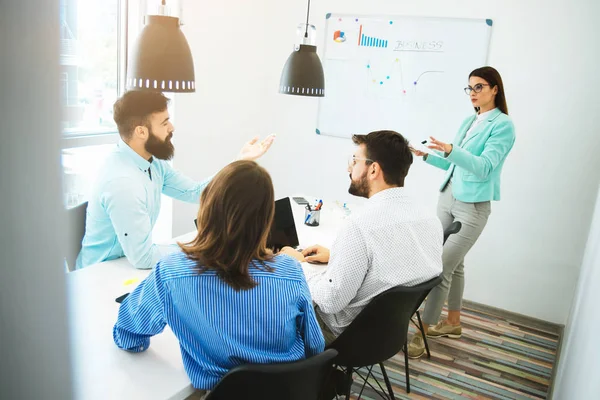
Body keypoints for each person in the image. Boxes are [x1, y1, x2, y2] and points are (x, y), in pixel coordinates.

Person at [113, 160, 325, 396]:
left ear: (207, 207)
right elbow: (315, 346)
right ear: (266, 220)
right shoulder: (289, 271)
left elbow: (127, 333)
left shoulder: (171, 273)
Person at [76, 90, 275, 270]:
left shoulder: (151, 162)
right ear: (141, 131)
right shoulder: (122, 183)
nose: (172, 127)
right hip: (100, 274)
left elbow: (195, 192)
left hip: (126, 264)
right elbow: (144, 259)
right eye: (164, 122)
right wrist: (201, 248)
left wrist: (239, 162)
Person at [281, 130, 443, 344]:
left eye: (355, 161)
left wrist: (298, 265)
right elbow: (397, 263)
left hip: (343, 335)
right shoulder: (429, 218)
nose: (350, 168)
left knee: (271, 293)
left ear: (373, 169)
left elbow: (330, 301)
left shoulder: (361, 224)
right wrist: (338, 256)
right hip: (388, 334)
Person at [407, 66, 516, 358]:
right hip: (448, 198)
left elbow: (483, 166)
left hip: (473, 207)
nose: (473, 93)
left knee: (440, 267)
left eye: (479, 87)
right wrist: (429, 155)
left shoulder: (503, 125)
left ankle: (423, 330)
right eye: (469, 88)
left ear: (495, 89)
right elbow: (454, 164)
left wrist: (453, 149)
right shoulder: (470, 121)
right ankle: (453, 322)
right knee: (456, 265)